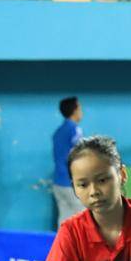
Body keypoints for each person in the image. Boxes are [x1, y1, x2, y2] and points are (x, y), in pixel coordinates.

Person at [52, 96, 84, 226]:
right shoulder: (75, 130)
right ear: (75, 110)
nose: (81, 111)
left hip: (58, 183)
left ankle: (63, 240)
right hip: (71, 183)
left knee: (64, 219)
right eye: (80, 108)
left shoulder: (58, 132)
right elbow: (79, 155)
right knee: (85, 217)